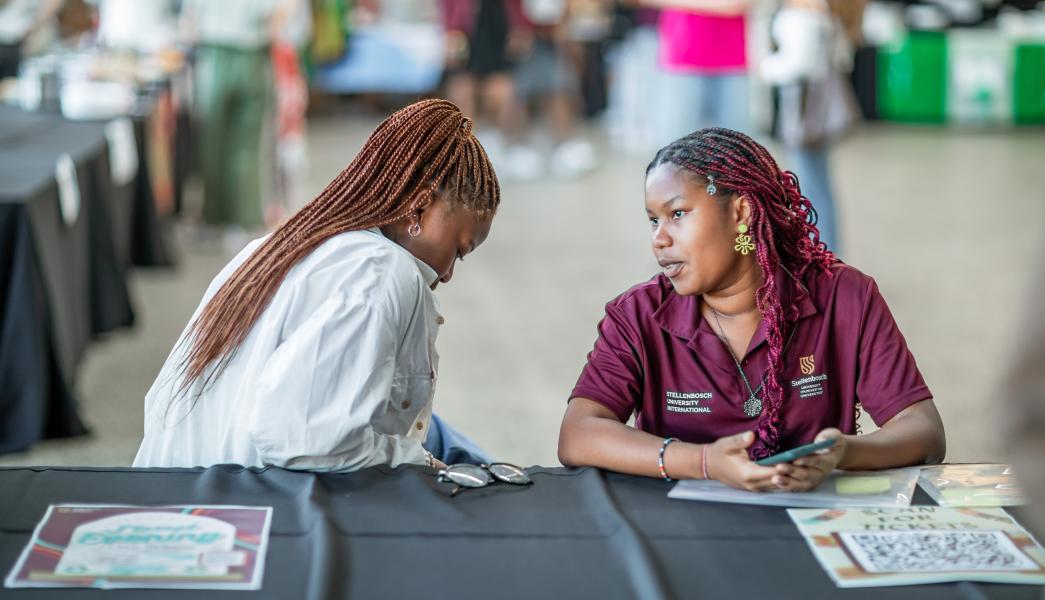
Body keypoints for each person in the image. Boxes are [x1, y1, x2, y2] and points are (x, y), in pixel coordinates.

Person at [558, 127, 945, 491]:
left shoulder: (844, 296)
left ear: (741, 213)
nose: (659, 239)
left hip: (809, 527)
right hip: (680, 537)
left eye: (677, 214)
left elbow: (923, 430)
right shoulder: (638, 315)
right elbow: (578, 433)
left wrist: (846, 453)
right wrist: (705, 462)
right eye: (653, 220)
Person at [134, 99, 500, 472]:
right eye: (459, 250)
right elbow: (302, 440)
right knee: (464, 472)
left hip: (175, 480)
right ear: (418, 209)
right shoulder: (383, 273)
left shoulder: (285, 243)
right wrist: (419, 462)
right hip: (239, 506)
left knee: (450, 443)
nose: (450, 273)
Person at [761, 0, 865, 254]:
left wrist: (764, 67)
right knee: (819, 184)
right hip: (816, 114)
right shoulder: (824, 11)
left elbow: (797, 64)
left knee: (809, 186)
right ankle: (829, 251)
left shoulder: (801, 14)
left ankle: (822, 254)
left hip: (804, 114)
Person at [643, 0, 752, 146]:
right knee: (675, 150)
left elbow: (738, 4)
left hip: (731, 59)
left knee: (735, 149)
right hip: (683, 57)